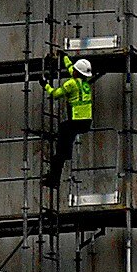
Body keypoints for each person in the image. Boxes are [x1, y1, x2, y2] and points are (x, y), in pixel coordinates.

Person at [43, 57, 95, 189]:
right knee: (65, 134)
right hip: (86, 122)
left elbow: (55, 94)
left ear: (76, 73)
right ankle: (64, 154)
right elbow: (73, 68)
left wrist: (45, 85)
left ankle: (54, 177)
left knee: (59, 152)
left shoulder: (71, 84)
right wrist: (64, 57)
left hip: (76, 121)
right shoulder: (85, 83)